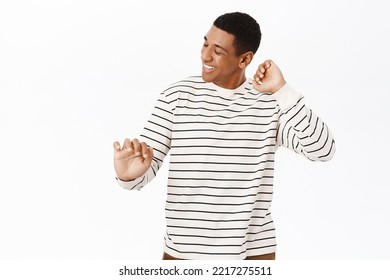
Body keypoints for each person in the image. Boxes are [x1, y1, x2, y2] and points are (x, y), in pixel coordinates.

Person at [113, 12, 335, 260]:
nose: (205, 55)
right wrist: (127, 175)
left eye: (218, 51)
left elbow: (322, 150)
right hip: (184, 253)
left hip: (253, 256)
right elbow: (143, 169)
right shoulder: (176, 97)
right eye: (205, 43)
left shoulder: (270, 104)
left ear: (245, 60)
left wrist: (283, 91)